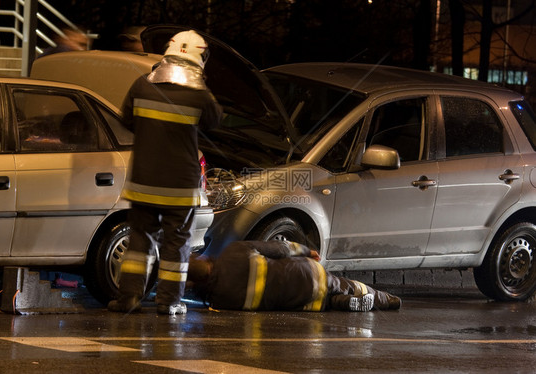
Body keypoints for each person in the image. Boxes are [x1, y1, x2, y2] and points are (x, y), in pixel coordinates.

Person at [108, 30, 222, 315]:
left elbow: (127, 120)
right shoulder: (199, 95)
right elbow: (216, 120)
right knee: (176, 246)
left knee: (139, 243)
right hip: (180, 187)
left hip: (144, 182)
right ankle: (168, 301)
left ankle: (128, 298)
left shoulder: (141, 85)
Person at [187, 241, 402, 312]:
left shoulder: (221, 301)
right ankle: (386, 299)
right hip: (306, 273)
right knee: (344, 284)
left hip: (305, 301)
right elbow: (280, 249)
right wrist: (305, 250)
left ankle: (342, 302)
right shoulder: (233, 251)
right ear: (204, 260)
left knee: (326, 301)